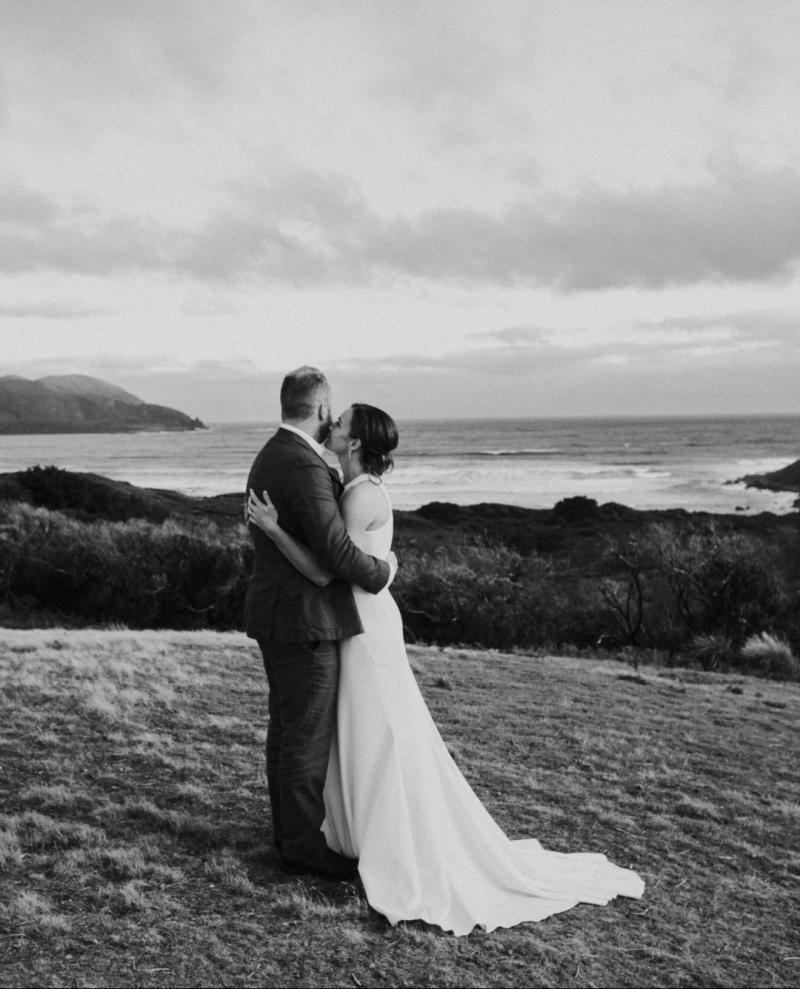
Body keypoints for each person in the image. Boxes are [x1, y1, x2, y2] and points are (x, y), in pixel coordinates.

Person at [248, 403, 645, 935]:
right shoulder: (343, 481)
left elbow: (331, 567)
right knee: (360, 732)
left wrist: (281, 532)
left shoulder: (361, 493)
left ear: (357, 443)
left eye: (339, 424)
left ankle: (394, 840)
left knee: (383, 731)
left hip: (364, 627)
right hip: (349, 624)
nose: (331, 427)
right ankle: (353, 832)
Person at [244, 368, 395, 881]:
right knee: (303, 739)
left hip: (281, 616)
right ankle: (304, 849)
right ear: (322, 407)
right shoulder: (304, 465)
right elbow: (332, 556)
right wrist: (383, 570)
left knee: (287, 733)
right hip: (304, 622)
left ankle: (289, 836)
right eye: (331, 409)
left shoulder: (274, 453)